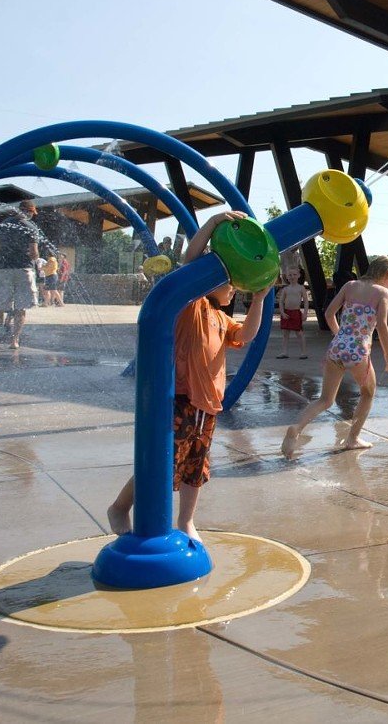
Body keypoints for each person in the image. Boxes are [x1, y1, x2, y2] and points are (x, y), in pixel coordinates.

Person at [107, 211, 271, 541]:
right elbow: (190, 262)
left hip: (208, 405)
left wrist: (260, 300)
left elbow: (247, 335)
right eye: (231, 283)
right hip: (181, 397)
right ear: (210, 282)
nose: (234, 290)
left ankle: (186, 521)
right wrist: (212, 224)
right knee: (162, 462)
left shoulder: (222, 320)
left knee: (196, 468)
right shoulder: (191, 305)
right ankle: (120, 508)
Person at [281, 255, 388, 458]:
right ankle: (352, 439)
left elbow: (328, 314)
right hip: (359, 351)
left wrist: (340, 336)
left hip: (336, 347)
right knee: (368, 393)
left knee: (325, 399)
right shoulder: (383, 292)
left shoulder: (350, 285)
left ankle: (296, 428)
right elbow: (383, 325)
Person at [0, 200, 40, 350]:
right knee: (20, 307)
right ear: (28, 211)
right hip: (24, 269)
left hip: (4, 269)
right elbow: (34, 253)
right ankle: (14, 341)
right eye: (31, 213)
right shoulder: (31, 227)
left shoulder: (4, 224)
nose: (31, 215)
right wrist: (37, 260)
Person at [276, 267, 309, 359]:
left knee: (299, 333)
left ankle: (303, 352)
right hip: (286, 313)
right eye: (290, 275)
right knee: (285, 333)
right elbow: (281, 301)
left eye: (294, 274)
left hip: (296, 312)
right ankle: (284, 352)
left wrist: (305, 313)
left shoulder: (301, 288)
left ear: (298, 276)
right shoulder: (285, 289)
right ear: (286, 277)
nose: (292, 277)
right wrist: (282, 312)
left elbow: (305, 301)